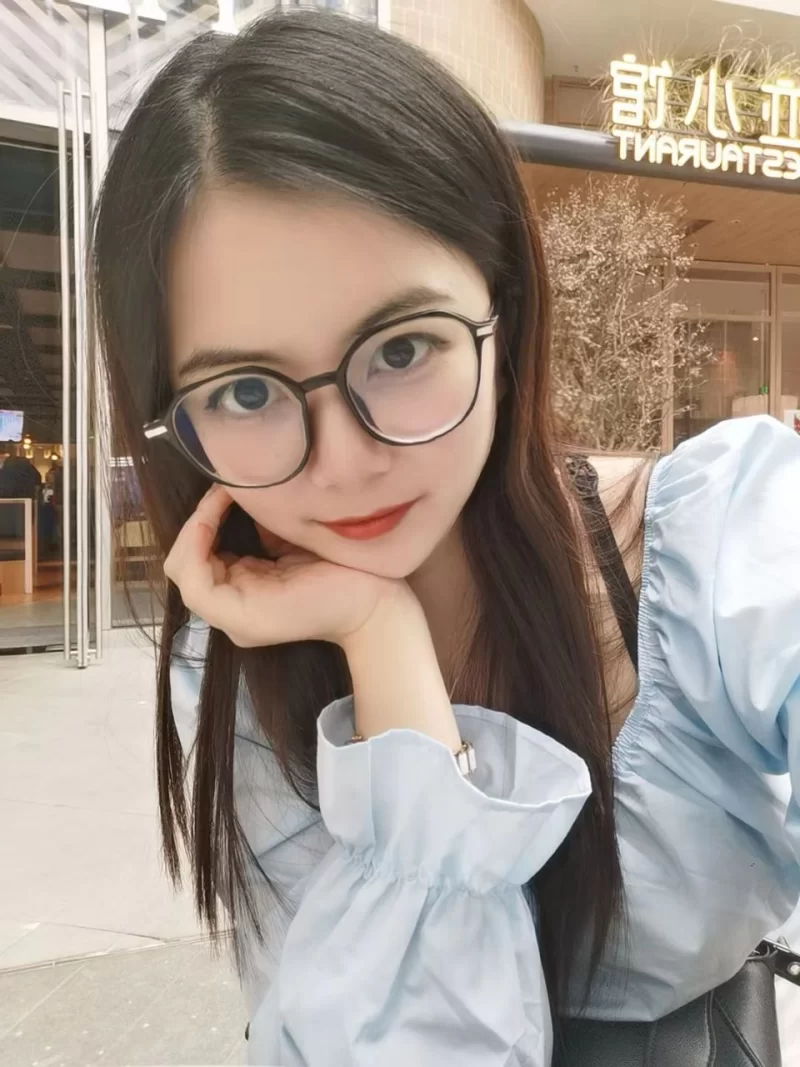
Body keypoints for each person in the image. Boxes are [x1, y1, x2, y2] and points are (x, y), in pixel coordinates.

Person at [90, 10, 800, 1066]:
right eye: (244, 390)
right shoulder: (235, 664)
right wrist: (379, 641)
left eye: (400, 349)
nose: (343, 462)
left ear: (502, 315)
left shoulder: (720, 541)